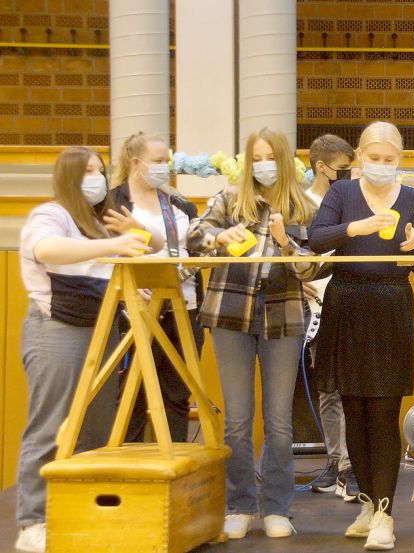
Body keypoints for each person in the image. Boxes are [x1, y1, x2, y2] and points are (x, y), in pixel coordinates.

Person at [187, 127, 319, 540]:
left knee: (280, 421)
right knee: (238, 420)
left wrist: (284, 245)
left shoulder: (304, 207)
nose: (262, 164)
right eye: (255, 157)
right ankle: (240, 504)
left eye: (269, 156)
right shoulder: (229, 199)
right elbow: (193, 236)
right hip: (230, 315)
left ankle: (278, 507)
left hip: (284, 317)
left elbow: (311, 269)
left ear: (283, 161)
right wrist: (217, 236)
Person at [15, 147, 149, 553]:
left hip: (102, 329)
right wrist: (110, 247)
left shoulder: (99, 221)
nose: (97, 177)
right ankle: (33, 520)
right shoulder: (50, 215)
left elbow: (115, 268)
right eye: (88, 170)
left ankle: (85, 513)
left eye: (100, 170)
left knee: (96, 429)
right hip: (57, 329)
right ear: (69, 176)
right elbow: (48, 252)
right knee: (49, 426)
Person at [309, 121, 414, 551]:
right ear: (360, 155)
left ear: (400, 159)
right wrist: (354, 230)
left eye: (389, 159)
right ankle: (365, 503)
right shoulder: (342, 194)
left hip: (391, 304)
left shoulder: (413, 198)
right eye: (374, 157)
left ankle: (385, 513)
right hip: (346, 303)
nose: (381, 165)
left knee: (382, 414)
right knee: (353, 410)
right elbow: (315, 238)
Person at [109, 132, 204, 443]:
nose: (165, 167)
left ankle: (175, 465)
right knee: (131, 394)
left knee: (177, 392)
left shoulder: (179, 204)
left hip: (183, 304)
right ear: (136, 164)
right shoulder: (113, 202)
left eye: (168, 161)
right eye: (158, 162)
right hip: (133, 307)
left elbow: (195, 247)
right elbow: (103, 255)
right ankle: (129, 471)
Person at [304, 133, 358, 500]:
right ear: (321, 167)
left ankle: (353, 463)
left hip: (348, 299)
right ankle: (335, 458)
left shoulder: (354, 200)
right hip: (313, 304)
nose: (348, 174)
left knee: (353, 386)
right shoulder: (301, 204)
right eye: (342, 168)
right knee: (327, 389)